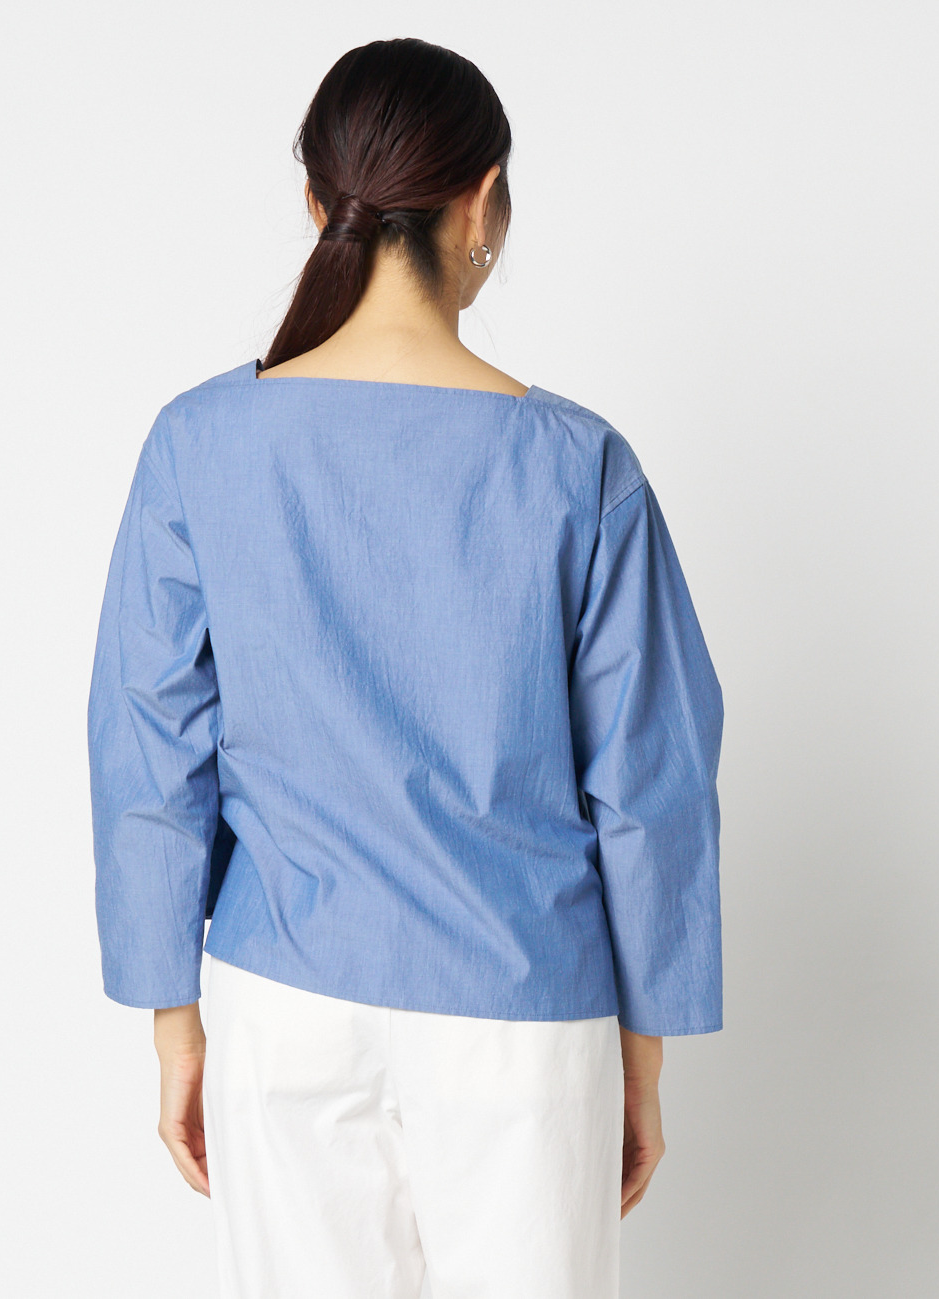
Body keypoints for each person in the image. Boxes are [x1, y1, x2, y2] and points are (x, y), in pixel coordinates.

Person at [87, 36, 724, 1299]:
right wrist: (643, 1055)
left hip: (284, 1008)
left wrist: (176, 1022)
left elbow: (149, 746)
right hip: (520, 1015)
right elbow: (651, 779)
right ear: (483, 200)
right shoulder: (579, 466)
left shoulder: (199, 443)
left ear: (316, 200)